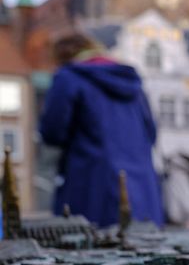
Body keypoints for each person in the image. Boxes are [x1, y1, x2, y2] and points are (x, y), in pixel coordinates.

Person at [39, 32, 163, 227]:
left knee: (86, 248)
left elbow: (52, 132)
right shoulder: (131, 82)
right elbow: (152, 133)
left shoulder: (68, 77)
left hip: (90, 185)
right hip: (142, 190)